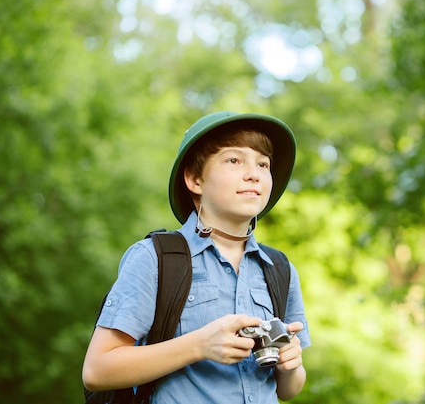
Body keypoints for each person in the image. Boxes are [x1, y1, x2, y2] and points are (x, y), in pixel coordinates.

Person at [82, 111, 310, 403]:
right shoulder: (155, 258)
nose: (254, 173)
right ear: (194, 179)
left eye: (263, 164)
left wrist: (291, 366)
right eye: (233, 160)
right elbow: (96, 371)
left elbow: (288, 390)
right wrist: (199, 346)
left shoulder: (280, 269)